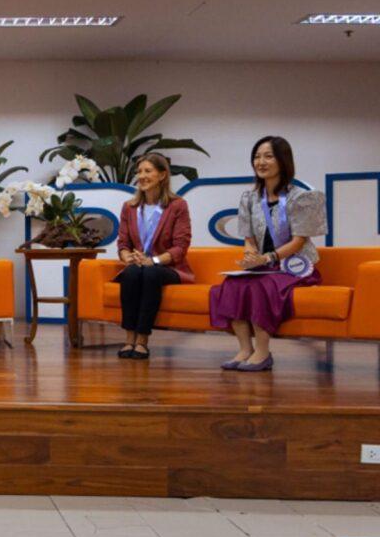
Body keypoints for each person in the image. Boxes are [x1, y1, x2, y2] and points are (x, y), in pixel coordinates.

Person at [210, 136, 327, 372]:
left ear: (283, 161)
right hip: (265, 265)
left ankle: (263, 352)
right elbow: (248, 238)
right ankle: (245, 349)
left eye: (268, 156)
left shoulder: (301, 198)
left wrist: (268, 258)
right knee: (232, 284)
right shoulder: (250, 198)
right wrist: (251, 255)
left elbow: (298, 241)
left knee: (260, 285)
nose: (260, 162)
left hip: (295, 266)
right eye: (257, 156)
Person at [114, 154, 193, 360]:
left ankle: (142, 340)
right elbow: (123, 243)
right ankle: (129, 338)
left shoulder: (177, 205)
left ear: (162, 175)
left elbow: (180, 247)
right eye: (139, 172)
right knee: (130, 274)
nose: (142, 176)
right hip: (139, 265)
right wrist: (127, 257)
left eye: (148, 171)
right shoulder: (129, 207)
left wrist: (154, 260)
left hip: (168, 266)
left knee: (150, 274)